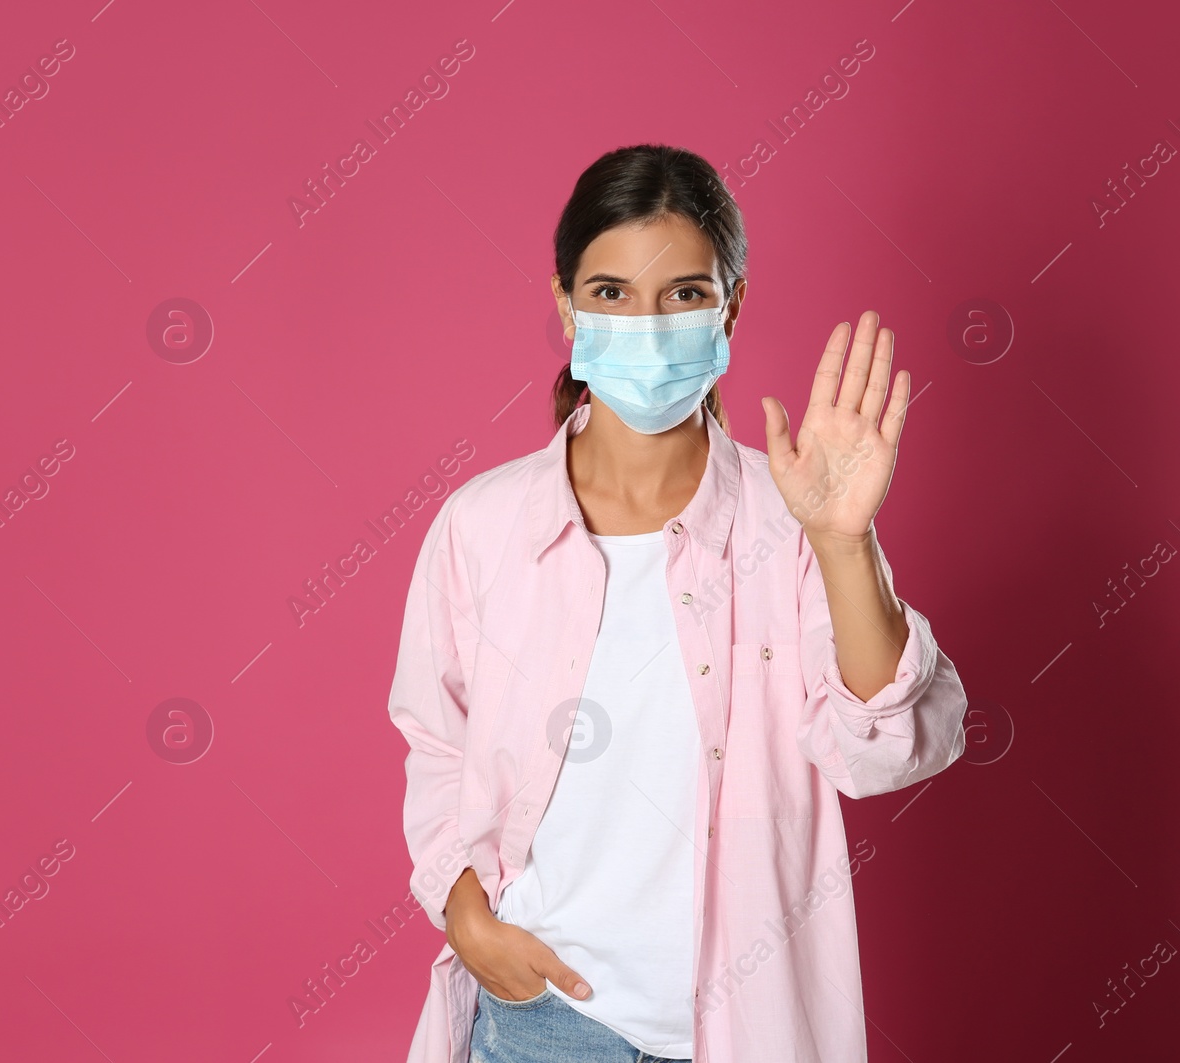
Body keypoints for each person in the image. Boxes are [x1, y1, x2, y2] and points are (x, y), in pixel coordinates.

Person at [385, 143, 969, 1063]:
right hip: (545, 1019)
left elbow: (884, 752)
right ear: (566, 302)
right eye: (611, 293)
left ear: (730, 303)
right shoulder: (481, 527)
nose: (646, 324)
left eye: (684, 294)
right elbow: (436, 742)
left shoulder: (796, 519)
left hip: (750, 1027)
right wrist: (465, 914)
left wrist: (845, 542)